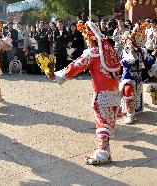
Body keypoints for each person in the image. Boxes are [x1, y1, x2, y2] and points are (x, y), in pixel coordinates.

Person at [48, 21, 122, 165]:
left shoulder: (92, 53)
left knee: (101, 124)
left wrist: (57, 75)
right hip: (114, 93)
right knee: (106, 124)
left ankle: (103, 153)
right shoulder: (109, 51)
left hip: (102, 94)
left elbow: (75, 66)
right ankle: (105, 151)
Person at [119, 24, 157, 124]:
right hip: (127, 78)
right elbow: (121, 63)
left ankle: (135, 109)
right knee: (128, 92)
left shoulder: (142, 51)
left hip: (138, 78)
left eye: (133, 40)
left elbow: (150, 61)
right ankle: (130, 114)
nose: (131, 43)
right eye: (129, 41)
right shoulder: (124, 52)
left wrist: (156, 70)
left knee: (137, 95)